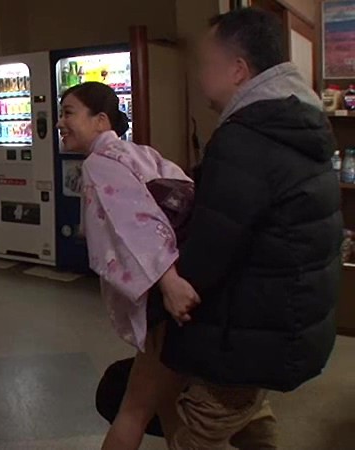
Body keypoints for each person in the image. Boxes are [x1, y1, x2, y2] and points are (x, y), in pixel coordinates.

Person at [156, 8, 341, 449]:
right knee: (251, 417)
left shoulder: (245, 138)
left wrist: (170, 283)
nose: (200, 76)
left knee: (197, 433)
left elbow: (210, 248)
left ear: (238, 70)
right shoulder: (298, 121)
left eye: (206, 64)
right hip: (286, 323)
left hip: (249, 333)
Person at [57, 81, 198, 450]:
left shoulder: (100, 162)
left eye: (69, 113)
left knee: (134, 409)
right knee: (165, 400)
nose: (59, 123)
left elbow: (136, 226)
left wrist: (168, 282)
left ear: (101, 120)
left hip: (162, 295)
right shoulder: (140, 152)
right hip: (184, 280)